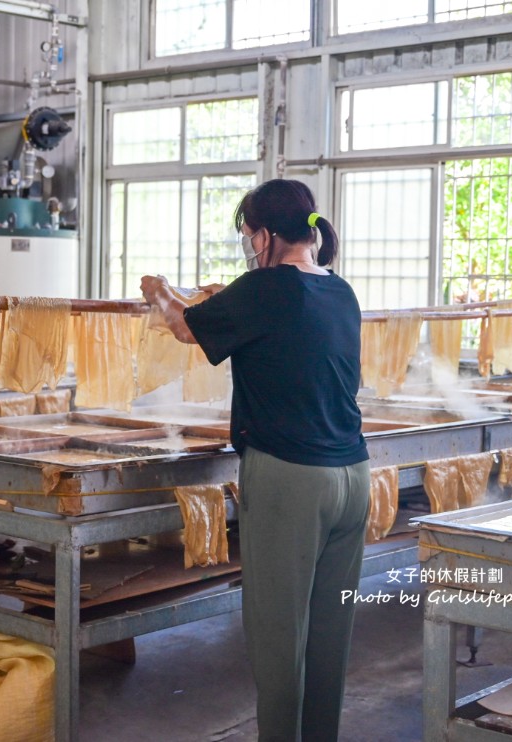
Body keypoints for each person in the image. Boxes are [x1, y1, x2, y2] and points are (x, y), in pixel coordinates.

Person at [141, 178, 369, 742]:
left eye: (249, 236)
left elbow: (182, 326)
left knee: (278, 638)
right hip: (353, 477)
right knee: (327, 636)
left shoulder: (265, 289)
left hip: (291, 480)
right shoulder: (340, 291)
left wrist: (161, 290)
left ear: (267, 235)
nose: (249, 247)